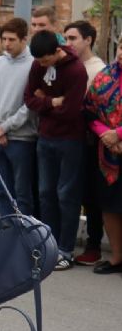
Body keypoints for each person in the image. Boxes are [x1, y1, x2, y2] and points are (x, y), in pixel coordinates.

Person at [25, 29, 87, 269]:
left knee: (66, 195)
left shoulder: (76, 70)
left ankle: (65, 249)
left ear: (57, 51)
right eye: (39, 61)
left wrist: (44, 100)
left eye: (45, 60)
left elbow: (71, 111)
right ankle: (48, 244)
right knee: (45, 193)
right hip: (45, 137)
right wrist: (53, 100)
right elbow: (29, 98)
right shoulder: (38, 64)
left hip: (70, 139)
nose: (41, 65)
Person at [64, 19, 106, 265]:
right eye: (66, 38)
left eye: (73, 38)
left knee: (91, 196)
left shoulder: (98, 70)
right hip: (67, 138)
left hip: (90, 141)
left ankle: (94, 244)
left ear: (88, 40)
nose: (68, 43)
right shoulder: (66, 66)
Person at [0, 17, 37, 216]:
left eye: (12, 40)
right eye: (4, 39)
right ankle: (8, 229)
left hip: (21, 138)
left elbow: (29, 105)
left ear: (24, 39)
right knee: (1, 191)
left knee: (22, 193)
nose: (6, 44)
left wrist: (4, 127)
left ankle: (23, 231)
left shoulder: (33, 64)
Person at [83, 40, 122, 276]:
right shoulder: (104, 77)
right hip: (108, 152)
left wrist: (118, 133)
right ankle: (117, 257)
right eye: (121, 47)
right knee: (110, 205)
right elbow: (89, 111)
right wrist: (105, 134)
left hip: (115, 139)